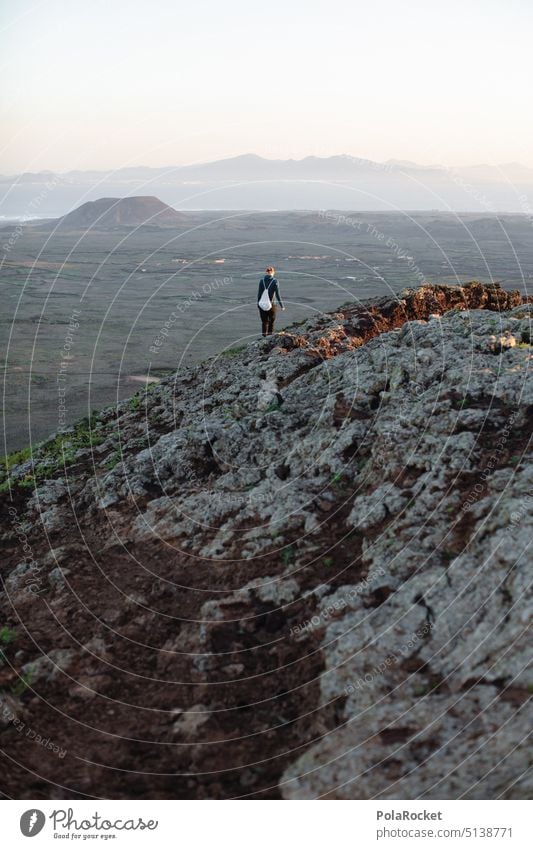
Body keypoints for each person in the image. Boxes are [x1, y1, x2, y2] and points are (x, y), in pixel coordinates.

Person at [257, 266, 285, 336]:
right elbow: (278, 295)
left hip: (262, 304)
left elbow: (259, 294)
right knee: (271, 321)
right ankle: (269, 336)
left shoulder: (261, 281)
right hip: (272, 305)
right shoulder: (275, 281)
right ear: (273, 272)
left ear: (266, 272)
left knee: (264, 322)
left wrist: (258, 304)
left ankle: (264, 337)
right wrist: (282, 306)